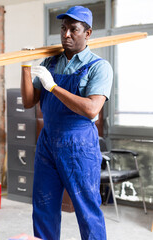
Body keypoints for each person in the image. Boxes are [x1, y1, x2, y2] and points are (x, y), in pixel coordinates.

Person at [20, 6, 113, 240]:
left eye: (74, 29)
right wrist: (24, 66)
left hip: (79, 146)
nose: (66, 34)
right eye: (63, 29)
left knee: (86, 209)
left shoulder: (98, 67)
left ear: (87, 33)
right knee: (44, 206)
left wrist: (53, 87)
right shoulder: (51, 63)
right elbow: (29, 101)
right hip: (48, 142)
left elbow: (92, 109)